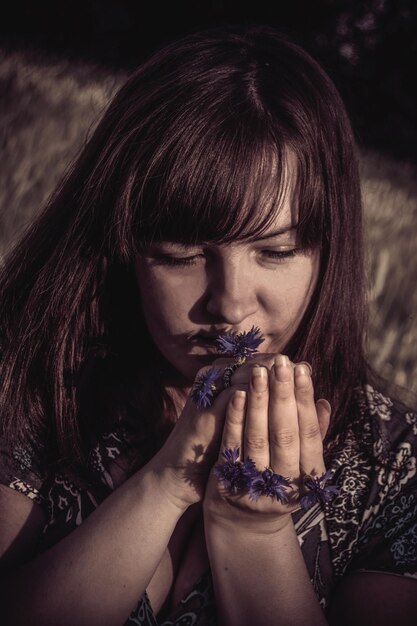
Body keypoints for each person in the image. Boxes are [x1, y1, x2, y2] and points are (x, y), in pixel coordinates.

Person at [0, 24, 416, 626]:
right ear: (123, 248)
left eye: (275, 252)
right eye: (181, 256)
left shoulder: (397, 468)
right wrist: (169, 481)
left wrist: (254, 531)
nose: (230, 306)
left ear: (329, 250)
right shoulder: (34, 387)